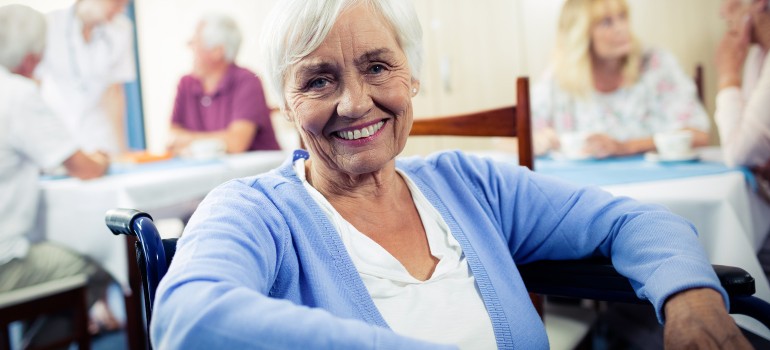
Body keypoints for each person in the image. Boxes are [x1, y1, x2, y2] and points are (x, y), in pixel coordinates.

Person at [150, 0, 751, 348]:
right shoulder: (253, 211)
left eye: (378, 67)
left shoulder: (472, 185)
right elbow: (186, 317)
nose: (356, 103)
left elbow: (629, 220)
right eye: (318, 79)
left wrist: (691, 298)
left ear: (411, 78)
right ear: (284, 103)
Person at [0, 4, 118, 343]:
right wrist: (101, 158)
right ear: (31, 55)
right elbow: (85, 168)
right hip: (5, 264)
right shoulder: (17, 93)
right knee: (100, 265)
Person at [531, 0, 710, 158]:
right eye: (606, 22)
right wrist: (538, 140)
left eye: (622, 16)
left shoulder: (656, 63)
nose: (621, 28)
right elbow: (516, 139)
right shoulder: (558, 79)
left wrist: (626, 147)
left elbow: (699, 134)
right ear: (581, 35)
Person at [167, 13, 281, 155]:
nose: (189, 46)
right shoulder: (186, 83)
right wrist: (220, 141)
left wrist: (187, 141)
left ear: (217, 51)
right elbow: (171, 139)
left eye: (194, 42)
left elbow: (236, 144)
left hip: (253, 174)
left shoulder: (247, 81)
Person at [35, 0, 136, 156]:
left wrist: (122, 150)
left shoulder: (122, 29)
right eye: (116, 3)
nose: (120, 10)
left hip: (99, 133)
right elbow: (35, 84)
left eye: (124, 5)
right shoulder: (49, 24)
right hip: (59, 126)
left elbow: (114, 92)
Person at [715, 0, 770, 168]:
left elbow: (740, 154)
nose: (723, 11)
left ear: (760, 5)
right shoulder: (758, 54)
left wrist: (728, 74)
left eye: (734, 3)